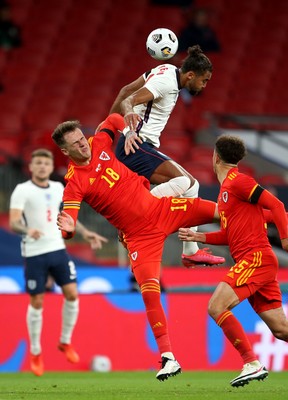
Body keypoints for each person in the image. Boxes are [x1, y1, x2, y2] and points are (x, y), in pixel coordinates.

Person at [52, 112, 220, 381]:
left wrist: (128, 132)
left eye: (82, 138)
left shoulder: (99, 143)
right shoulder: (74, 183)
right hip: (139, 237)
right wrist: (68, 229)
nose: (83, 144)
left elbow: (113, 119)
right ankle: (168, 358)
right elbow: (69, 222)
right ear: (65, 150)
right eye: (75, 144)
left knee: (224, 211)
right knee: (150, 293)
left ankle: (278, 222)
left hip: (160, 210)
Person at [178, 134, 288, 387]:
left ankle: (251, 362)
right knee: (281, 330)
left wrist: (285, 238)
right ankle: (251, 362)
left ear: (214, 157)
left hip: (255, 258)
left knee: (216, 307)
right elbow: (231, 234)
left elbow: (277, 204)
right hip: (257, 261)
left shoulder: (239, 182)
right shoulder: (227, 192)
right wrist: (199, 236)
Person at [109, 45, 225, 268]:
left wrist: (107, 129)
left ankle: (190, 251)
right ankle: (133, 219)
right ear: (190, 75)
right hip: (136, 144)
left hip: (141, 145)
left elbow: (124, 90)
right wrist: (129, 129)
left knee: (192, 187)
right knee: (184, 182)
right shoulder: (166, 82)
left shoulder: (165, 69)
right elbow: (129, 100)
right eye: (204, 80)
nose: (204, 85)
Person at [9, 148, 108, 377]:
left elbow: (67, 217)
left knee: (72, 294)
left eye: (46, 163)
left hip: (58, 250)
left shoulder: (58, 189)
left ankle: (65, 341)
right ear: (31, 167)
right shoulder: (22, 190)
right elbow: (14, 222)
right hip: (34, 253)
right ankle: (35, 351)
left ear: (51, 167)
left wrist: (86, 233)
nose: (42, 166)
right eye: (38, 163)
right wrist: (27, 229)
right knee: (37, 300)